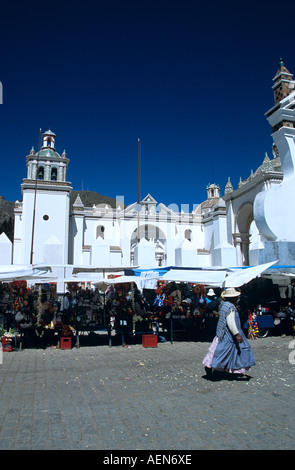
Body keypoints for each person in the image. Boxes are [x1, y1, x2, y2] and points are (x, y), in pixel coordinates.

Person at [202, 287, 256, 379]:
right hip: (228, 335)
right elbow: (231, 323)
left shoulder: (223, 305)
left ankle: (223, 368)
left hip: (222, 333)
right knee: (223, 352)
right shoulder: (230, 307)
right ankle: (213, 367)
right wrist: (237, 334)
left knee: (220, 351)